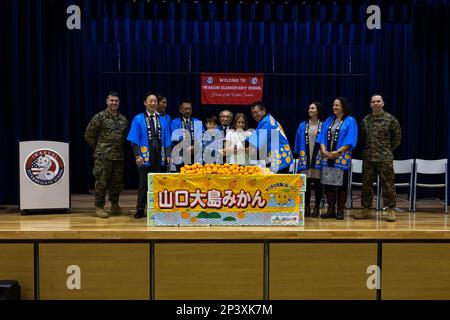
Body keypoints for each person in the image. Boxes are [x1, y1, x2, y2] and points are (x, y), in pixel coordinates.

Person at [354, 94, 402, 222]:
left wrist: (386, 150)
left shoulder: (391, 120)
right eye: (373, 101)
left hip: (384, 158)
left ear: (383, 103)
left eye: (378, 101)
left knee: (388, 185)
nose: (375, 103)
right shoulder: (365, 120)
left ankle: (391, 210)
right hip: (369, 158)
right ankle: (366, 209)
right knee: (366, 184)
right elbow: (364, 137)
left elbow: (397, 139)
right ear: (370, 104)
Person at [127, 92, 172, 219]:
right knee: (143, 185)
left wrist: (168, 155)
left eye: (155, 101)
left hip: (159, 156)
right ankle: (140, 209)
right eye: (150, 101)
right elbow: (134, 139)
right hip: (144, 156)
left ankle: (157, 208)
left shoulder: (162, 120)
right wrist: (137, 155)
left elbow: (167, 139)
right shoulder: (138, 119)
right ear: (145, 103)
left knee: (159, 184)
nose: (153, 103)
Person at [84, 92, 128, 218]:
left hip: (118, 156)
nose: (114, 103)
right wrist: (99, 147)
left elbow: (124, 137)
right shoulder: (100, 117)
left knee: (117, 183)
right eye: (112, 100)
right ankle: (99, 207)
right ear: (107, 101)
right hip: (103, 157)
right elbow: (88, 134)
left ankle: (115, 206)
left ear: (119, 103)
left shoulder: (123, 119)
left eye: (116, 101)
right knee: (101, 183)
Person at [317, 97, 358, 220]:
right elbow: (322, 136)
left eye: (337, 105)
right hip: (327, 156)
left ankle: (340, 210)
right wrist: (324, 150)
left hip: (341, 157)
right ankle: (331, 209)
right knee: (328, 183)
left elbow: (350, 139)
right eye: (333, 105)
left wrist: (337, 152)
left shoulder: (350, 121)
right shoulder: (329, 120)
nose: (334, 107)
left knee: (341, 184)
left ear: (343, 107)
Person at [294, 102, 324, 217]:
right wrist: (297, 154)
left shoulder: (324, 125)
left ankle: (316, 206)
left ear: (318, 110)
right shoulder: (303, 125)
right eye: (309, 108)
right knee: (305, 183)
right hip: (305, 157)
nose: (310, 110)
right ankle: (306, 206)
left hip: (318, 157)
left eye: (312, 108)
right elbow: (297, 139)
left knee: (317, 183)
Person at [248, 101, 293, 173]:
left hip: (281, 158)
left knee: (279, 183)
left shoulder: (267, 122)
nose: (255, 115)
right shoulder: (265, 120)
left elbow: (254, 141)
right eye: (253, 113)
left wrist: (236, 147)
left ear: (264, 110)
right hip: (278, 156)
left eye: (257, 112)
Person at [170, 99, 204, 170]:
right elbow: (175, 139)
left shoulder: (198, 122)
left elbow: (202, 138)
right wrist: (186, 148)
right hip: (181, 155)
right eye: (186, 109)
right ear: (180, 110)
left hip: (195, 154)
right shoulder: (175, 122)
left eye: (190, 109)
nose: (188, 111)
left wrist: (194, 147)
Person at [156, 95, 171, 171]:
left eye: (166, 103)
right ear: (157, 103)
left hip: (165, 151)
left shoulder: (167, 117)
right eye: (163, 103)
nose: (165, 105)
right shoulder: (148, 117)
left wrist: (168, 154)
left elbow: (168, 136)